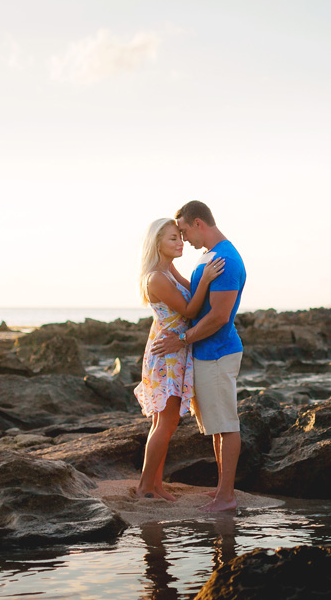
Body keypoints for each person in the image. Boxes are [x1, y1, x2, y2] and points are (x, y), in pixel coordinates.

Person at [152, 200, 247, 513]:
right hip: (206, 353)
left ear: (198, 224)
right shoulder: (209, 258)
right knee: (216, 426)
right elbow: (190, 297)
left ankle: (227, 497)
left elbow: (219, 317)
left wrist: (182, 339)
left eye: (184, 231)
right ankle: (222, 490)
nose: (184, 239)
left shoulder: (226, 261)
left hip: (218, 352)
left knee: (227, 425)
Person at [135, 218, 225, 501]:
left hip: (174, 351)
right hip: (167, 354)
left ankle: (155, 485)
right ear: (157, 243)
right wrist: (207, 278)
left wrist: (207, 281)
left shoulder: (168, 270)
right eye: (173, 238)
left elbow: (194, 295)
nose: (180, 242)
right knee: (166, 421)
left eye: (180, 237)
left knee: (164, 421)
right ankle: (145, 488)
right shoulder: (156, 278)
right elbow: (189, 309)